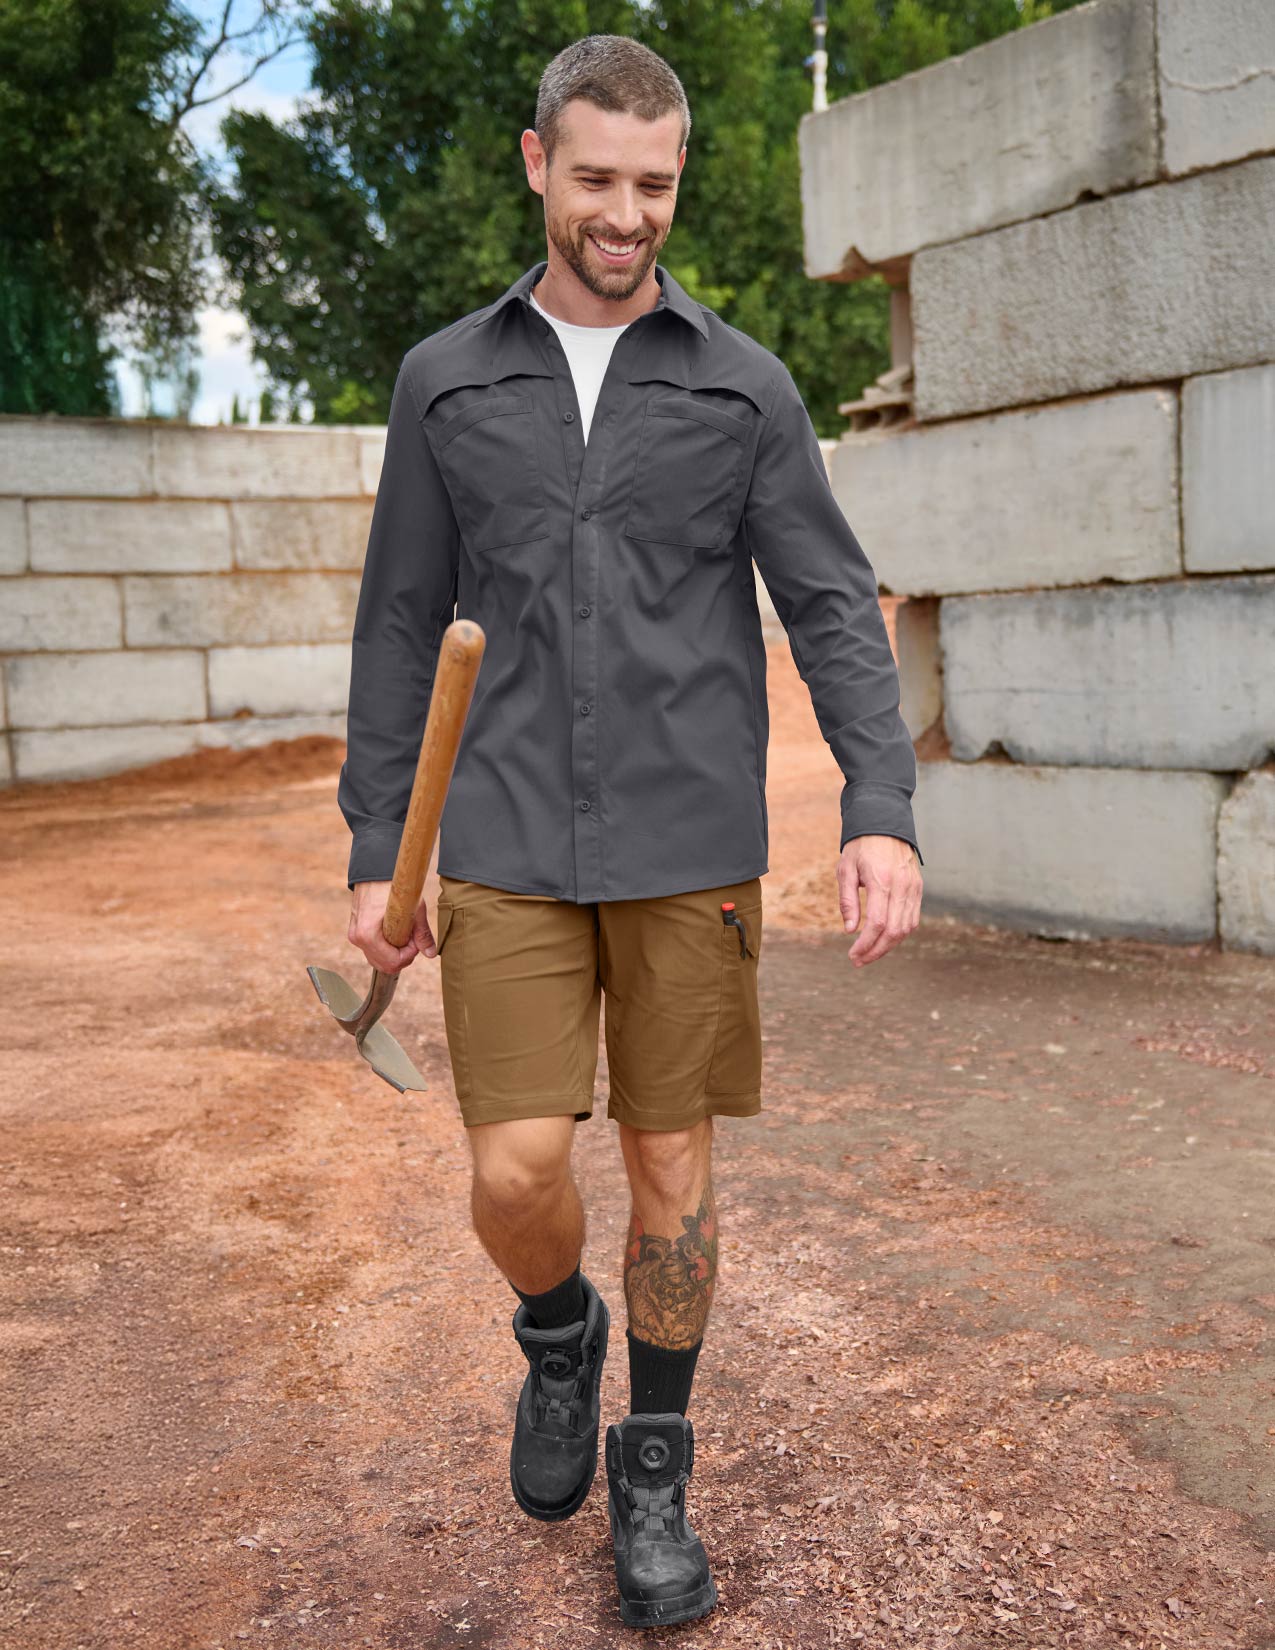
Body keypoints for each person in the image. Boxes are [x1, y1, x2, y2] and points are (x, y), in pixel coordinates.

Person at [337, 32, 924, 1631]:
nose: (624, 213)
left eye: (652, 185)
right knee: (516, 1168)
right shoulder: (447, 381)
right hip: (510, 839)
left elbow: (831, 605)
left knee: (673, 1162)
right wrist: (371, 848)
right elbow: (400, 626)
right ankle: (557, 1332)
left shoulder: (742, 386)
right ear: (539, 164)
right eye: (595, 177)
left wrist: (881, 807)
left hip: (688, 850)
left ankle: (652, 1462)